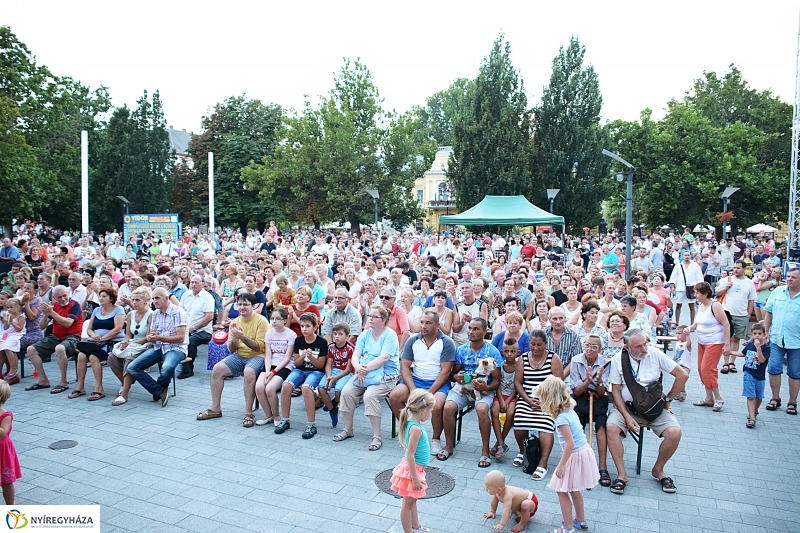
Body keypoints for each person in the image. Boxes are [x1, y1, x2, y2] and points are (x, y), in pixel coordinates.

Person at [606, 329, 688, 495]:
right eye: (638, 346)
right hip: (627, 407)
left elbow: (682, 375)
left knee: (675, 432)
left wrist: (668, 400)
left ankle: (658, 470)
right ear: (627, 347)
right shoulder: (617, 360)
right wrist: (627, 418)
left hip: (654, 407)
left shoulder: (655, 353)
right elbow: (615, 391)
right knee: (611, 428)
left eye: (645, 344)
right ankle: (622, 475)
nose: (644, 349)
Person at [389, 310, 455, 458]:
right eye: (422, 322)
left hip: (437, 382)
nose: (423, 326)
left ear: (437, 325)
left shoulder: (447, 342)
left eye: (428, 323)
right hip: (416, 380)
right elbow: (405, 366)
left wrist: (428, 392)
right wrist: (413, 389)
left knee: (437, 405)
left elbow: (445, 372)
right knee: (395, 396)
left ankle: (436, 439)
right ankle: (409, 432)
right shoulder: (413, 340)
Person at [197, 292, 269, 426]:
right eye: (239, 304)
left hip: (257, 356)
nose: (242, 307)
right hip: (239, 355)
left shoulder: (261, 321)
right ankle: (215, 408)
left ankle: (248, 412)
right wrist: (235, 338)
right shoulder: (234, 322)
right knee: (217, 369)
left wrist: (242, 337)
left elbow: (259, 347)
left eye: (245, 305)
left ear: (253, 306)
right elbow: (231, 349)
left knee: (249, 372)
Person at [537, 375, 598, 533]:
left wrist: (562, 465)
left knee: (562, 490)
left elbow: (569, 444)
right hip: (581, 451)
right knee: (574, 489)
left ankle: (568, 527)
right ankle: (580, 520)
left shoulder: (561, 419)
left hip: (573, 455)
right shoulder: (569, 411)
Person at [334, 305, 400, 450]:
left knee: (370, 396)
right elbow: (356, 355)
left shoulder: (390, 335)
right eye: (369, 316)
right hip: (364, 373)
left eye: (374, 316)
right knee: (346, 392)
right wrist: (358, 367)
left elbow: (384, 358)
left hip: (385, 374)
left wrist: (364, 369)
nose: (370, 319)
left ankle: (377, 436)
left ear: (383, 320)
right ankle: (348, 429)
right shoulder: (365, 334)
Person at [440, 318, 503, 467]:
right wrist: (457, 377)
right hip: (463, 388)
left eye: (476, 329)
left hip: (483, 390)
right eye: (470, 328)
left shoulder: (492, 351)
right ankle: (449, 445)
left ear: (484, 332)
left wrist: (486, 388)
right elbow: (451, 374)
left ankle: (485, 451)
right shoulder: (461, 350)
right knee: (448, 407)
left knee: (482, 409)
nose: (471, 332)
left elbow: (496, 381)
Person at [126, 287, 189, 407]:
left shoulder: (178, 312)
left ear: (166, 298)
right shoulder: (155, 314)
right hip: (159, 347)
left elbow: (180, 338)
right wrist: (151, 337)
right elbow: (153, 333)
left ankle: (160, 388)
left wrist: (158, 338)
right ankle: (159, 391)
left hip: (176, 348)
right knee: (132, 367)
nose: (154, 301)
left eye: (157, 298)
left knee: (167, 368)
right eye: (153, 298)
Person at [275, 312, 327, 438]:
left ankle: (311, 424)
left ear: (315, 327)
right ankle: (285, 420)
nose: (304, 329)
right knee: (286, 386)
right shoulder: (298, 341)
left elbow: (320, 366)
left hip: (315, 372)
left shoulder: (322, 342)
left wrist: (311, 357)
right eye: (302, 326)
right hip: (300, 370)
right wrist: (303, 356)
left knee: (306, 388)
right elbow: (297, 363)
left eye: (308, 326)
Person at [24, 286, 84, 393]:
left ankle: (63, 382)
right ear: (54, 298)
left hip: (73, 336)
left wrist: (51, 313)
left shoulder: (74, 305)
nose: (63, 299)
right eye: (59, 297)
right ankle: (43, 380)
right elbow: (42, 326)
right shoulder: (54, 306)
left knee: (60, 348)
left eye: (64, 295)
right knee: (31, 349)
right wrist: (46, 313)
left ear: (68, 294)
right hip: (56, 336)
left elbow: (67, 323)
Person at [390, 388, 434, 533]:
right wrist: (415, 479)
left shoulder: (412, 423)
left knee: (412, 500)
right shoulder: (416, 429)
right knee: (407, 504)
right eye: (430, 411)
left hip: (414, 469)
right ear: (423, 411)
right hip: (412, 470)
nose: (430, 414)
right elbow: (410, 455)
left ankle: (416, 526)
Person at [570, 334, 611, 488]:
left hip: (598, 399)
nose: (590, 349)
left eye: (594, 346)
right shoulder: (576, 360)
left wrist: (598, 380)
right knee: (576, 427)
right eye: (588, 345)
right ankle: (577, 465)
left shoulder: (605, 362)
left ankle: (602, 467)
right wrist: (587, 381)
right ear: (583, 345)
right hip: (580, 397)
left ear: (600, 349)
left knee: (601, 427)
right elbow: (577, 391)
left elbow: (602, 392)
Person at [70, 288, 126, 401]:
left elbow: (117, 329)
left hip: (112, 342)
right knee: (81, 355)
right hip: (96, 341)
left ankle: (99, 388)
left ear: (111, 298)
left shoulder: (118, 310)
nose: (101, 298)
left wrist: (102, 339)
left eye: (104, 296)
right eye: (100, 296)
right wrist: (93, 335)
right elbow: (89, 328)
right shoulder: (96, 310)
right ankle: (80, 387)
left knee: (93, 356)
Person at [688, 282, 730, 411]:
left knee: (708, 369)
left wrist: (727, 344)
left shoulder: (715, 305)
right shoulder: (701, 305)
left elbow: (726, 324)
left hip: (715, 341)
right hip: (702, 341)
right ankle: (709, 398)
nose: (695, 295)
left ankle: (718, 397)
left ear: (705, 294)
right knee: (701, 369)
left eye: (697, 293)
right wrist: (689, 328)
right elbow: (697, 323)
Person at [108, 286, 153, 406]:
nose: (134, 303)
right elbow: (128, 334)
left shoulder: (151, 315)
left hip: (145, 345)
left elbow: (148, 337)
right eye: (133, 300)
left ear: (146, 301)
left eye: (137, 300)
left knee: (129, 359)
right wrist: (125, 342)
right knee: (111, 357)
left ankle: (125, 394)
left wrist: (131, 343)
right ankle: (125, 381)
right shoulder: (130, 314)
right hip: (133, 343)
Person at [764, 267, 800, 415]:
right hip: (777, 338)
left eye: (793, 277)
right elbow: (769, 312)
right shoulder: (778, 291)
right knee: (773, 368)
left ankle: (792, 402)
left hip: (796, 341)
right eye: (788, 276)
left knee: (795, 372)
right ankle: (775, 398)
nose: (790, 279)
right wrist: (766, 332)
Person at [254, 308, 297, 427]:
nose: (274, 321)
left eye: (277, 319)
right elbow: (268, 355)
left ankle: (277, 415)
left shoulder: (291, 334)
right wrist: (267, 371)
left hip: (285, 365)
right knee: (259, 387)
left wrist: (274, 372)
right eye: (272, 318)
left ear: (285, 320)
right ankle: (268, 414)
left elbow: (288, 357)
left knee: (270, 389)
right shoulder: (269, 333)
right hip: (270, 364)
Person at [715, 261, 756, 373]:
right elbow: (717, 292)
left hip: (742, 314)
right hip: (727, 312)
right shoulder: (728, 279)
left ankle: (732, 362)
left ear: (744, 269)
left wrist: (748, 313)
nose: (735, 270)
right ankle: (725, 362)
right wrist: (726, 288)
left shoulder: (749, 283)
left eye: (738, 268)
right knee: (728, 338)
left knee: (737, 338)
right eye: (734, 268)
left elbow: (751, 299)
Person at [177, 275, 216, 379]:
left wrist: (193, 328)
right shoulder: (186, 295)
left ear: (203, 284)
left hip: (203, 330)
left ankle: (188, 370)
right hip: (185, 328)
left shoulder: (207, 297)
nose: (193, 285)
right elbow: (180, 312)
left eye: (196, 282)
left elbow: (209, 317)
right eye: (192, 282)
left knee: (190, 341)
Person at [733, 323, 770, 428]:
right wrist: (731, 352)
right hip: (748, 373)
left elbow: (762, 360)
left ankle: (755, 410)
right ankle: (752, 417)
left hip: (760, 376)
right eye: (755, 334)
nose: (757, 336)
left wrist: (758, 348)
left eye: (759, 334)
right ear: (752, 335)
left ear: (764, 334)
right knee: (751, 397)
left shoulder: (766, 348)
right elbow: (742, 353)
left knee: (759, 398)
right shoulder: (749, 345)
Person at [318, 322, 354, 427]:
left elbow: (348, 369)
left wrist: (335, 378)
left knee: (339, 390)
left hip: (345, 372)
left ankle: (334, 403)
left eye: (340, 334)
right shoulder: (331, 347)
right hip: (333, 370)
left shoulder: (350, 348)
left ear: (347, 336)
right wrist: (329, 376)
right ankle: (332, 410)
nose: (337, 336)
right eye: (335, 334)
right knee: (321, 387)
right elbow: (328, 364)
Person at [489, 337, 519, 462]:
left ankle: (498, 443)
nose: (509, 354)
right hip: (500, 394)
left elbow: (518, 385)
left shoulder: (519, 365)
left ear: (518, 352)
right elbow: (497, 384)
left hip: (513, 396)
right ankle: (501, 444)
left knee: (511, 413)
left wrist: (507, 401)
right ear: (502, 352)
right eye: (506, 351)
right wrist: (501, 400)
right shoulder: (500, 365)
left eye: (512, 351)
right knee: (494, 411)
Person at [0, 381, 21, 504]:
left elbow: (3, 432)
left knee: (7, 482)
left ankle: (10, 506)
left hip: (3, 451)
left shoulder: (6, 415)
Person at [669, 251, 703, 325]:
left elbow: (699, 276)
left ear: (690, 256)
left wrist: (699, 286)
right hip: (680, 287)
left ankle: (692, 324)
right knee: (678, 305)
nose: (687, 256)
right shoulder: (678, 265)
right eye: (685, 255)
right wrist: (672, 285)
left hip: (692, 287)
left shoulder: (695, 265)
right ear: (682, 256)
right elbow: (673, 276)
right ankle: (676, 323)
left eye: (688, 255)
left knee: (692, 306)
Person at [0, 299, 25, 384]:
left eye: (11, 307)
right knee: (1, 346)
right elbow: (5, 328)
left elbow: (19, 329)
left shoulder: (21, 316)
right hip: (8, 333)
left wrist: (12, 322)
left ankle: (13, 368)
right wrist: (6, 322)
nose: (9, 309)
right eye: (7, 307)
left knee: (8, 347)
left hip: (17, 334)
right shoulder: (7, 314)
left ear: (17, 307)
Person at [671, 325, 692, 402]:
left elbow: (689, 344)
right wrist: (672, 360)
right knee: (679, 379)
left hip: (685, 365)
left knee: (682, 379)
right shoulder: (678, 343)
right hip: (678, 364)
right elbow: (676, 353)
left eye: (679, 333)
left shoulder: (686, 343)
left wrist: (688, 335)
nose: (677, 335)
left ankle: (681, 393)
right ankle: (681, 392)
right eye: (677, 333)